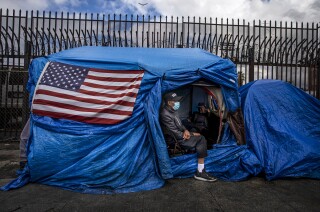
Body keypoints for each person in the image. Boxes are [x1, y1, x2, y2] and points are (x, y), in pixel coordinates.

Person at [160, 92, 217, 182]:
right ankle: (200, 171)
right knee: (201, 139)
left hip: (180, 135)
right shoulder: (164, 114)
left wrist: (186, 130)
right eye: (176, 101)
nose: (178, 103)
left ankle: (193, 152)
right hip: (176, 140)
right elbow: (174, 132)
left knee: (194, 130)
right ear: (169, 102)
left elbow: (180, 125)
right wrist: (191, 134)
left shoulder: (173, 111)